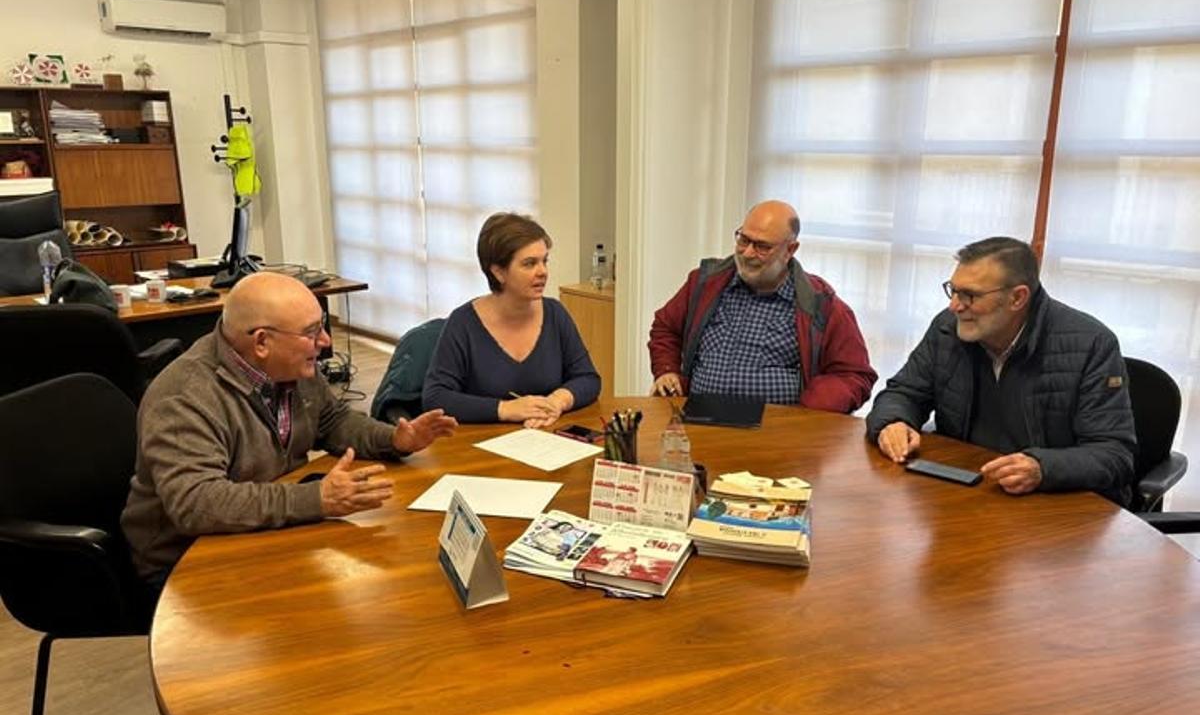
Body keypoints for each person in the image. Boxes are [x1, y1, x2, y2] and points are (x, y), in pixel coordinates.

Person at [121, 271, 458, 590]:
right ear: (262, 342)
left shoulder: (291, 368)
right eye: (312, 332)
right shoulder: (186, 396)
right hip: (185, 559)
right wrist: (316, 499)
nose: (325, 342)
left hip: (261, 528)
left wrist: (394, 438)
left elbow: (334, 420)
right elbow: (198, 504)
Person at [865, 236, 1136, 504]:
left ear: (1017, 298)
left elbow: (1113, 454)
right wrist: (893, 422)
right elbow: (904, 392)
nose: (955, 306)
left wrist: (1043, 469)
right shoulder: (948, 328)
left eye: (969, 295)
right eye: (954, 290)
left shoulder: (1090, 344)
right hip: (966, 490)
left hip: (1054, 506)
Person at [647, 200, 876, 412]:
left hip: (777, 434)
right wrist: (667, 371)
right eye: (743, 240)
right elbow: (665, 328)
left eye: (762, 247)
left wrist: (807, 413)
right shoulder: (705, 282)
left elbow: (855, 375)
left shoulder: (820, 303)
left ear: (790, 250)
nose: (747, 253)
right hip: (700, 420)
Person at [423, 212, 601, 427]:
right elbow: (435, 398)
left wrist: (557, 401)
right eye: (529, 264)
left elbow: (588, 379)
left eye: (544, 261)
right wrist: (505, 409)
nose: (543, 271)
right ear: (498, 272)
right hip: (480, 447)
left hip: (546, 441)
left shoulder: (555, 313)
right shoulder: (463, 323)